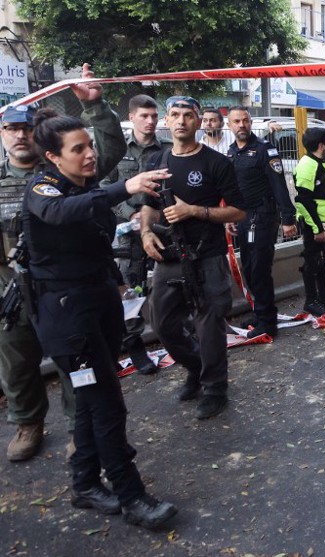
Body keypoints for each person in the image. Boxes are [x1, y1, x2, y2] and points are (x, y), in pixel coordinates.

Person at [22, 107, 177, 528]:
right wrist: (123, 187)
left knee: (94, 403)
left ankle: (85, 484)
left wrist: (117, 283)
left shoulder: (84, 184)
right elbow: (61, 214)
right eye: (78, 149)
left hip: (99, 302)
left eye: (89, 145)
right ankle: (132, 498)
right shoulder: (43, 188)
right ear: (54, 157)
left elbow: (92, 240)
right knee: (107, 406)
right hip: (67, 316)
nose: (89, 154)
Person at [0, 63, 125, 463]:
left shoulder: (65, 174)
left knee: (79, 361)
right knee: (19, 362)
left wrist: (96, 106)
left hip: (64, 288)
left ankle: (79, 428)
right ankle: (28, 423)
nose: (20, 136)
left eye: (26, 129)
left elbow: (107, 149)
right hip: (12, 287)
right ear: (2, 135)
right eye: (11, 129)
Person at [139, 96, 247, 420]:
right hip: (169, 256)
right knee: (162, 321)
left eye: (188, 115)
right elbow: (147, 204)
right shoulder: (157, 161)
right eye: (175, 114)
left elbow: (239, 210)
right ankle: (195, 366)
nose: (182, 120)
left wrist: (193, 211)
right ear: (167, 121)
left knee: (208, 324)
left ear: (199, 122)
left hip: (207, 256)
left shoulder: (216, 163)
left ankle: (215, 388)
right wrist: (146, 233)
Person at [101, 94, 172, 376]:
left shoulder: (166, 148)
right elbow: (106, 187)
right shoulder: (117, 150)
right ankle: (135, 347)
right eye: (144, 116)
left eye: (154, 116)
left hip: (163, 227)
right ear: (131, 117)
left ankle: (179, 336)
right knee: (132, 291)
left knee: (175, 283)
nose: (150, 121)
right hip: (128, 233)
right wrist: (130, 212)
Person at [225, 106, 300, 338]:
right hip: (243, 218)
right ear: (229, 125)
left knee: (259, 269)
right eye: (236, 121)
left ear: (250, 123)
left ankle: (267, 322)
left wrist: (288, 219)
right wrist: (228, 215)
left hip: (263, 216)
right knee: (248, 267)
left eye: (245, 121)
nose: (241, 125)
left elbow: (279, 186)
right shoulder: (231, 152)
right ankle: (260, 312)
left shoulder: (264, 150)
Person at [293, 127, 325, 317]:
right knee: (312, 262)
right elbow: (303, 200)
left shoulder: (321, 163)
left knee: (323, 260)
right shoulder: (308, 165)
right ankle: (311, 301)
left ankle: (324, 296)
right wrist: (317, 228)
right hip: (314, 225)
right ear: (321, 145)